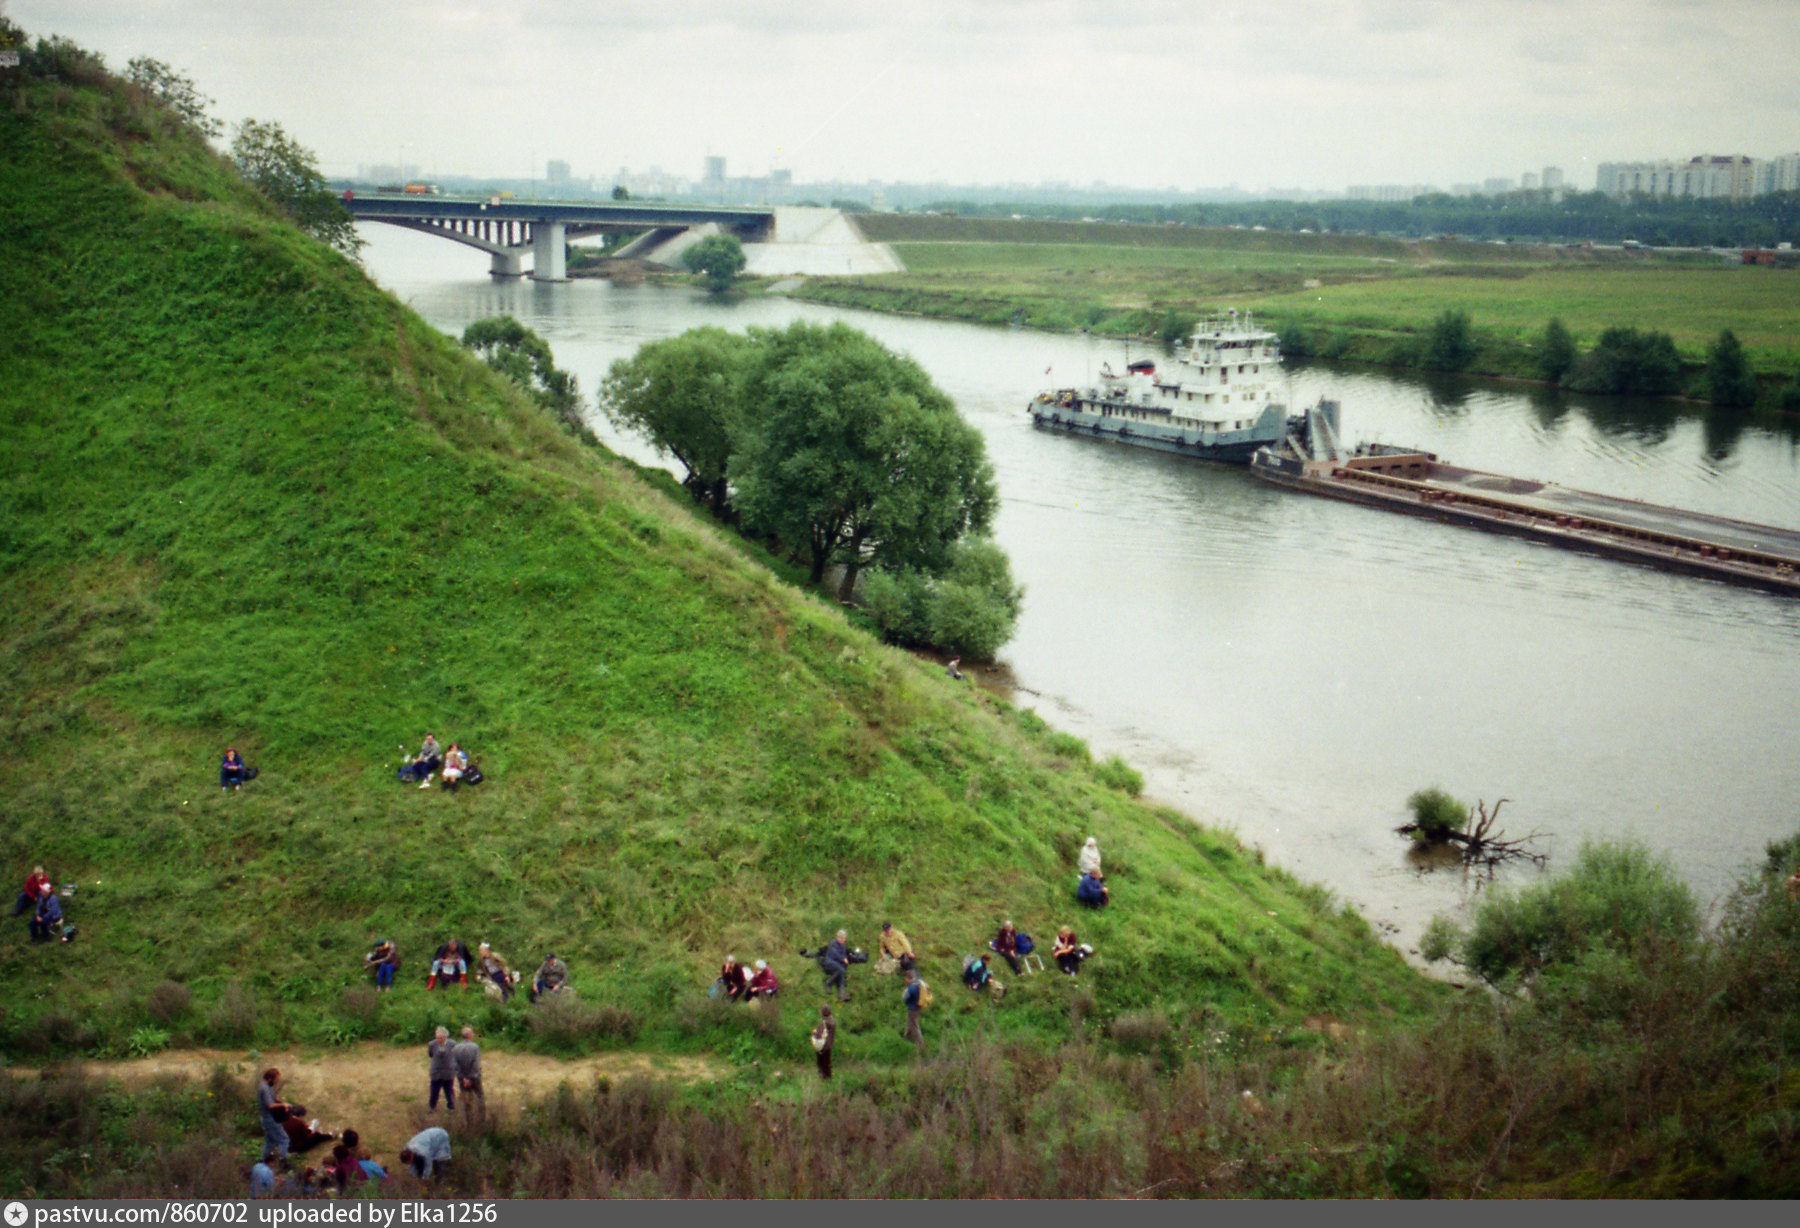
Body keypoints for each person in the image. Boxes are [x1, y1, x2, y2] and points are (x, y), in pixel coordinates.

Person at [800, 930, 853, 1002]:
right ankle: (827, 984)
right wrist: (843, 959)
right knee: (841, 970)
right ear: (838, 937)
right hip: (829, 963)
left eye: (844, 938)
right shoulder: (833, 944)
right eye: (842, 938)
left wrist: (845, 958)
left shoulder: (843, 945)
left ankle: (843, 996)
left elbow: (843, 954)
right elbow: (835, 955)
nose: (843, 940)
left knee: (842, 974)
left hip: (837, 964)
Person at [257, 1068, 291, 1160]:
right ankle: (283, 1161)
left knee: (270, 1142)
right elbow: (270, 1105)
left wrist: (281, 1102)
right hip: (269, 1119)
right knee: (284, 1140)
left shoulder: (266, 1087)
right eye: (276, 1079)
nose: (276, 1082)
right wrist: (282, 1105)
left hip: (266, 1118)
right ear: (269, 1078)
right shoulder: (265, 1089)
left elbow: (273, 1099)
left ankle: (263, 1160)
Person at [427, 1025, 456, 1111]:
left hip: (448, 1072)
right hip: (436, 1072)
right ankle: (432, 1107)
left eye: (440, 1038)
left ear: (445, 1037)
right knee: (434, 1091)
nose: (438, 1040)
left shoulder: (452, 1044)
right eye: (437, 1038)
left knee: (449, 1091)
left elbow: (455, 1055)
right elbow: (430, 1054)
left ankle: (451, 1107)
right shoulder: (432, 1044)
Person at [453, 1025, 483, 1107]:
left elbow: (455, 1065)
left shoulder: (456, 1048)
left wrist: (463, 1078)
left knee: (466, 1100)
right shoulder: (474, 1047)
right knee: (479, 1098)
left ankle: (468, 1118)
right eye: (472, 1033)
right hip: (474, 1078)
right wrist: (470, 1078)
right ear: (469, 1035)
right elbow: (475, 1064)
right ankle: (481, 1117)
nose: (473, 1034)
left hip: (462, 1079)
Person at [901, 969, 926, 1059]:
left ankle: (921, 1045)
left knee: (915, 1026)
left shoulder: (911, 987)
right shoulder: (919, 982)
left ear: (908, 978)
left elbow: (904, 997)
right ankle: (906, 1038)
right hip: (920, 1007)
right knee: (909, 1023)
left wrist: (904, 992)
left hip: (913, 1008)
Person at [811, 1005, 835, 1080]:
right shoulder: (832, 1020)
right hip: (829, 1045)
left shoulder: (824, 1022)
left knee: (821, 1063)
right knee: (827, 1063)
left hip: (823, 1045)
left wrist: (814, 1033)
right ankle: (828, 1079)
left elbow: (819, 1034)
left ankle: (823, 1078)